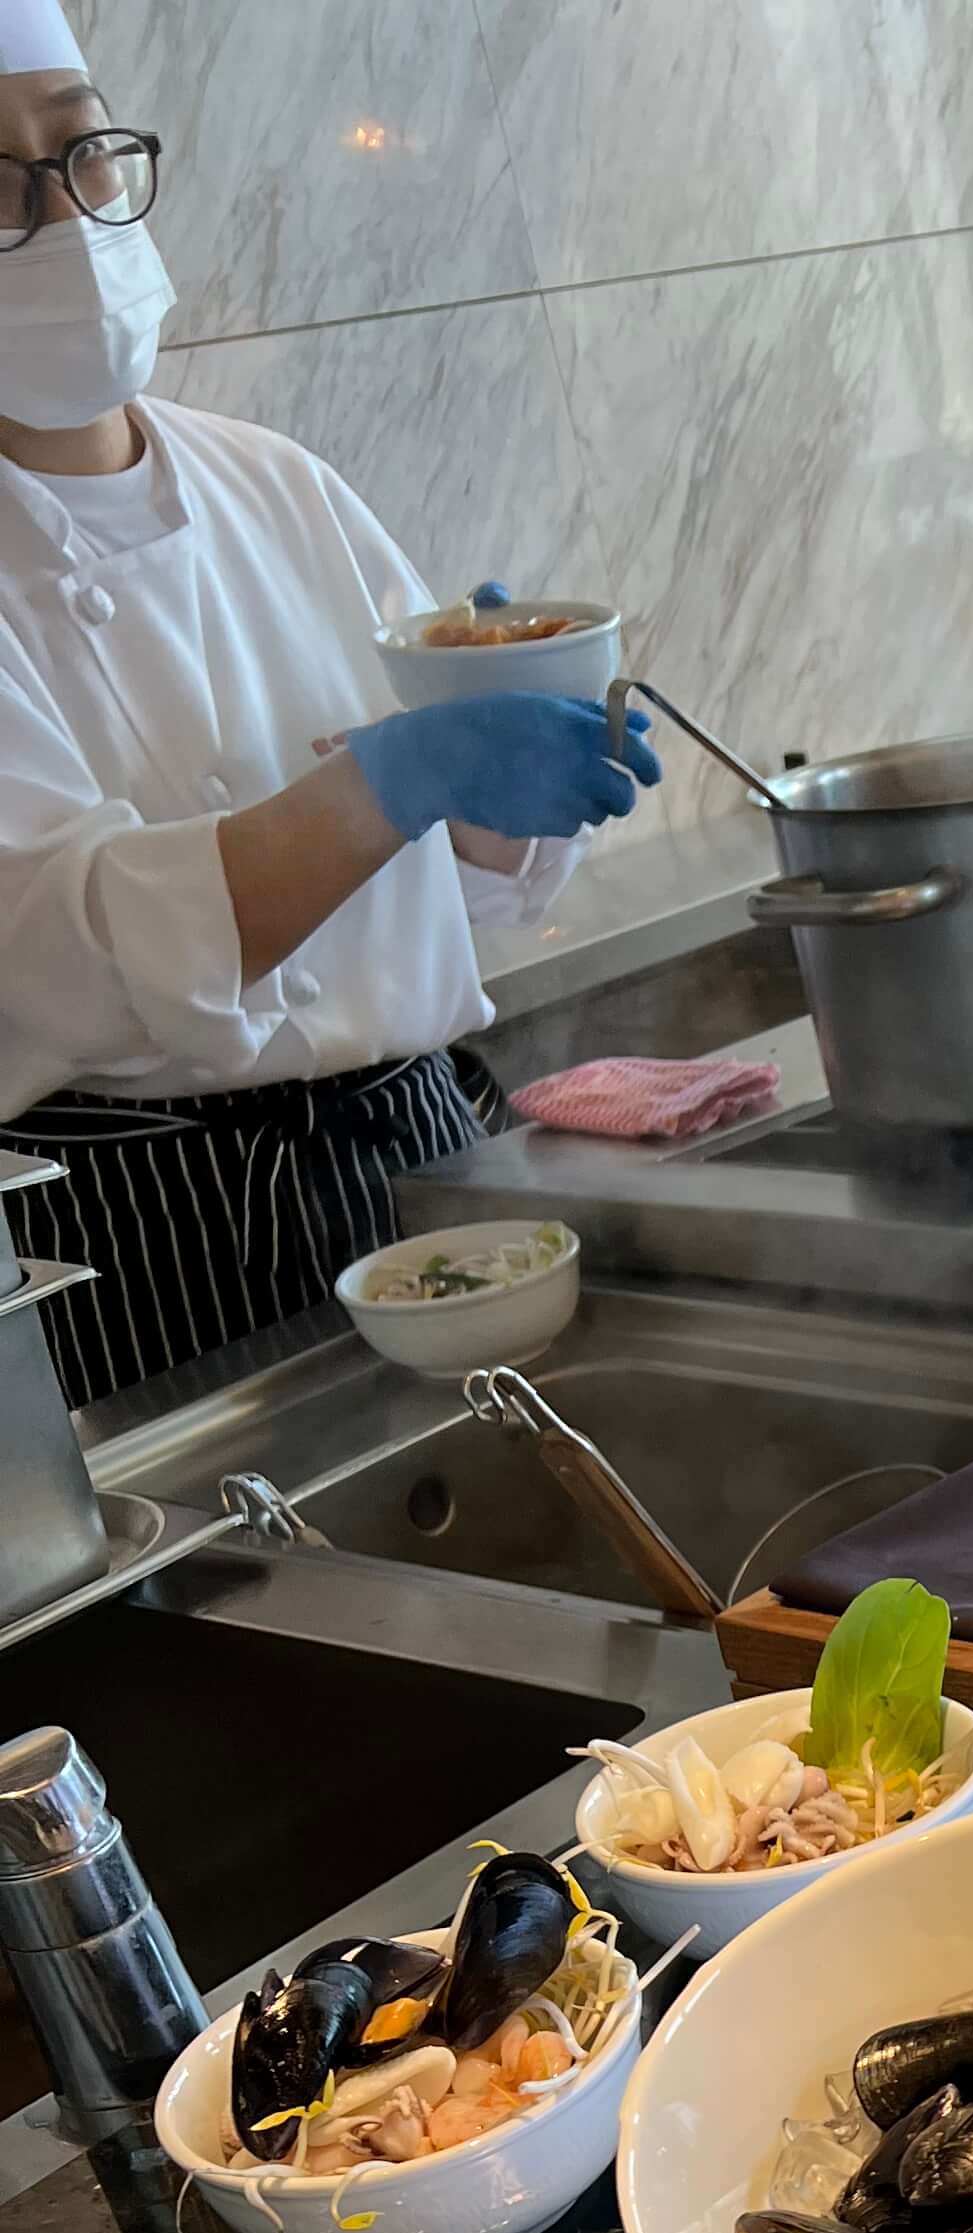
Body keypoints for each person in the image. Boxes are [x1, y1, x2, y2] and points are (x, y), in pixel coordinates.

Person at [0, 2, 659, 1406]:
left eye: (82, 152)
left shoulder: (273, 480)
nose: (61, 215)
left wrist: (497, 781)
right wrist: (389, 782)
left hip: (420, 1154)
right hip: (137, 1237)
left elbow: (457, 895)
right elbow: (65, 957)